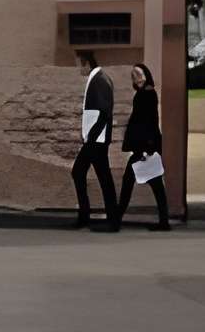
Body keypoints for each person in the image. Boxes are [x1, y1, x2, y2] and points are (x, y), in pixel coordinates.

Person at [116, 62, 171, 230]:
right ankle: (163, 222)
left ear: (146, 76)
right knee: (152, 185)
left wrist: (148, 148)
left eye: (139, 74)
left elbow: (150, 121)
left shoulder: (146, 93)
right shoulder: (144, 93)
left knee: (138, 183)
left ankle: (116, 220)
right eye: (133, 75)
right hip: (145, 147)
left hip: (145, 148)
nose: (136, 78)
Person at [70, 49, 120, 229]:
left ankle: (88, 217)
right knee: (102, 177)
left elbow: (104, 112)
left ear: (85, 61)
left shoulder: (99, 80)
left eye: (78, 64)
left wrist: (91, 136)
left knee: (78, 172)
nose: (78, 69)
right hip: (96, 139)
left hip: (96, 140)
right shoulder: (98, 79)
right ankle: (109, 219)